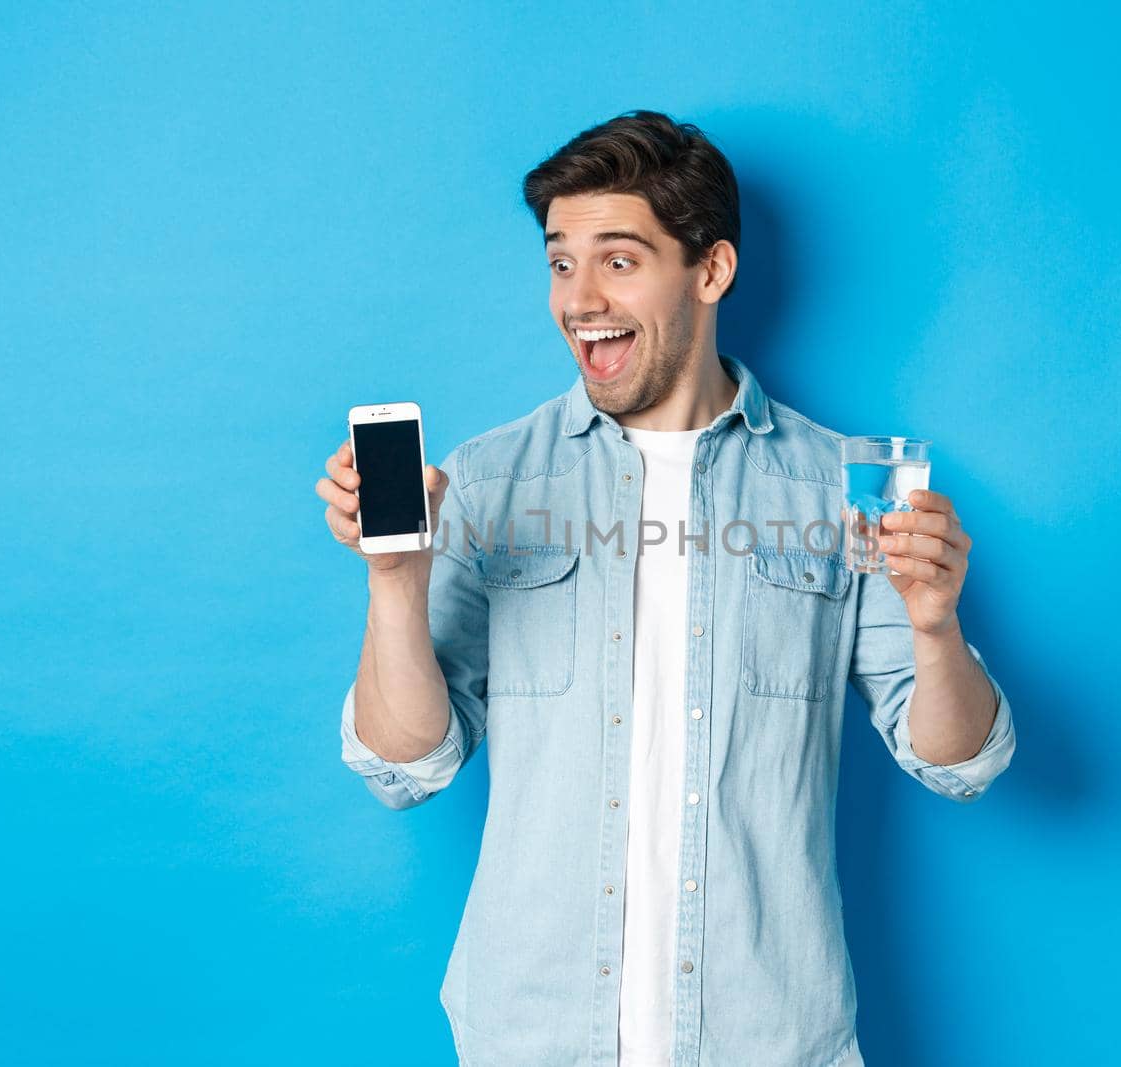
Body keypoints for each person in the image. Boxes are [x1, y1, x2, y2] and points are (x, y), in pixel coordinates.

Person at [314, 109, 1016, 1067]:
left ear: (711, 270)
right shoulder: (486, 482)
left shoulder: (839, 483)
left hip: (770, 1040)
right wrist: (395, 583)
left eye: (619, 259)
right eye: (561, 262)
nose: (580, 297)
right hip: (532, 1038)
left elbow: (959, 760)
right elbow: (407, 766)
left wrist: (935, 630)